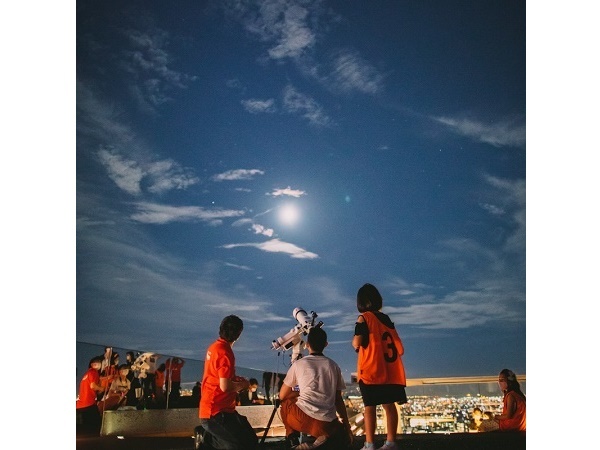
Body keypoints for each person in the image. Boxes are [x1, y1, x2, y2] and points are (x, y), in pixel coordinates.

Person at [352, 283, 407, 450]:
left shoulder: (364, 318)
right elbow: (400, 349)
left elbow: (357, 341)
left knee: (369, 407)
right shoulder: (387, 320)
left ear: (361, 302)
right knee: (389, 406)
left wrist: (355, 343)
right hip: (391, 373)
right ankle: (391, 442)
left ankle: (369, 444)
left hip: (371, 371)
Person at [279, 327, 353, 450]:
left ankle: (292, 440)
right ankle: (320, 442)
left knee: (285, 403)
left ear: (307, 344)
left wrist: (297, 394)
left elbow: (282, 395)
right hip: (325, 424)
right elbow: (338, 399)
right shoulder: (334, 366)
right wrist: (347, 427)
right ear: (326, 344)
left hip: (301, 419)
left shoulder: (299, 364)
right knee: (338, 434)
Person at [195, 315, 258, 450]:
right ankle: (206, 439)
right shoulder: (225, 352)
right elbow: (225, 386)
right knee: (239, 445)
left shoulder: (214, 347)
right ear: (238, 334)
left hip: (219, 410)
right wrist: (244, 385)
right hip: (216, 413)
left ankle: (208, 439)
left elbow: (220, 378)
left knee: (250, 439)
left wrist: (237, 380)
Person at [76, 356, 105, 434]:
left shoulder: (86, 374)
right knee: (97, 426)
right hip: (89, 403)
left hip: (81, 405)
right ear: (93, 364)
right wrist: (101, 389)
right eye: (100, 363)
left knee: (86, 429)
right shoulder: (94, 372)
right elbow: (93, 386)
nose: (100, 365)